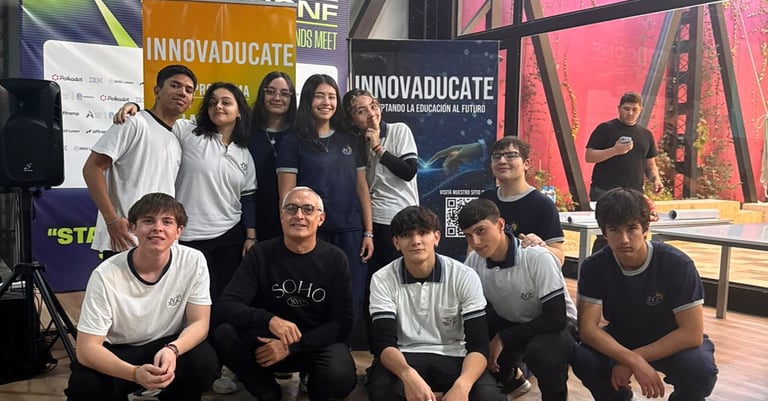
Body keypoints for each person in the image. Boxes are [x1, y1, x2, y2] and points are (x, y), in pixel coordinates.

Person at [65, 193, 218, 401]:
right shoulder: (105, 275)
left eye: (167, 222)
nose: (157, 228)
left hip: (166, 345)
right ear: (133, 228)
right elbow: (87, 349)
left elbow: (200, 323)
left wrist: (173, 349)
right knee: (84, 387)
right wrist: (134, 374)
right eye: (148, 221)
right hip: (119, 351)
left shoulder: (194, 260)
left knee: (203, 362)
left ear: (178, 231)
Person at [571, 188, 718, 401]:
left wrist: (635, 358)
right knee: (584, 357)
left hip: (670, 338)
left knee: (699, 369)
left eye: (632, 229)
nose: (624, 239)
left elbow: (691, 334)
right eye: (614, 230)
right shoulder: (594, 266)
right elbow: (588, 330)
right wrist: (631, 359)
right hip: (622, 337)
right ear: (604, 233)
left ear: (645, 229)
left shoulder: (677, 264)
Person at [212, 186, 357, 401]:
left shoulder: (335, 259)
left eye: (308, 209)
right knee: (225, 334)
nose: (299, 215)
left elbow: (342, 323)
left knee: (339, 377)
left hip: (311, 344)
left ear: (321, 219)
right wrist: (269, 320)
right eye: (291, 208)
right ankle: (267, 392)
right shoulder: (260, 254)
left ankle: (313, 386)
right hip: (266, 345)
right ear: (282, 216)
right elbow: (227, 305)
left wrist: (293, 346)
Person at [366, 206, 506, 401]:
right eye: (406, 235)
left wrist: (463, 385)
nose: (416, 241)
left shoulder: (464, 276)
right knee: (383, 391)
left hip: (455, 355)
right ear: (396, 242)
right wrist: (408, 375)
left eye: (423, 233)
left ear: (437, 237)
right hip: (404, 355)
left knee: (488, 396)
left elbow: (478, 346)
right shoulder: (382, 279)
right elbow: (384, 343)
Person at [276, 74, 374, 337]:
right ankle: (308, 352)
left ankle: (341, 351)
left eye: (331, 97)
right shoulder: (293, 141)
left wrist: (368, 231)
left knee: (350, 296)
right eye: (319, 96)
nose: (326, 102)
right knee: (310, 297)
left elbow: (361, 187)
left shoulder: (350, 140)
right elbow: (286, 195)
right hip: (310, 233)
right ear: (308, 100)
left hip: (350, 231)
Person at [458, 198, 577, 401]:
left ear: (500, 224)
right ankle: (509, 379)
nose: (475, 242)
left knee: (543, 354)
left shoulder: (537, 257)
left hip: (555, 327)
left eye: (481, 231)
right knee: (472, 341)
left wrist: (503, 337)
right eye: (468, 236)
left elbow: (556, 319)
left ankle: (556, 396)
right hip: (512, 320)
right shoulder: (474, 262)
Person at [83, 64, 196, 259]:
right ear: (157, 91)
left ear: (192, 101)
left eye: (188, 90)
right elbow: (92, 168)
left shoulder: (177, 137)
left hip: (160, 241)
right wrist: (112, 220)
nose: (181, 93)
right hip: (125, 238)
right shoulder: (133, 122)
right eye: (175, 85)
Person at [342, 88, 419, 269]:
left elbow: (409, 172)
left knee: (401, 276)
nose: (371, 114)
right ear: (352, 119)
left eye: (373, 106)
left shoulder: (398, 130)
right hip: (371, 221)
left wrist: (377, 148)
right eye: (361, 111)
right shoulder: (354, 144)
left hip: (402, 218)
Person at [479, 136, 566, 265]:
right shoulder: (486, 199)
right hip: (489, 274)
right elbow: (473, 249)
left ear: (526, 164)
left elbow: (559, 258)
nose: (502, 161)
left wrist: (540, 246)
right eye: (496, 157)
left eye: (511, 156)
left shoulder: (542, 204)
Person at [585, 92, 663, 200]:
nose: (630, 113)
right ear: (619, 108)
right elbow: (589, 157)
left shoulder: (646, 134)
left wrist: (656, 179)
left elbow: (650, 165)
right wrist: (615, 150)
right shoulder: (605, 128)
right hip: (605, 190)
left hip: (634, 193)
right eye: (626, 109)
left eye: (634, 110)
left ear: (641, 110)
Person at [250, 71, 298, 241]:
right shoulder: (247, 132)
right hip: (254, 215)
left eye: (284, 93)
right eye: (270, 92)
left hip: (294, 215)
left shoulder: (301, 134)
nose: (277, 98)